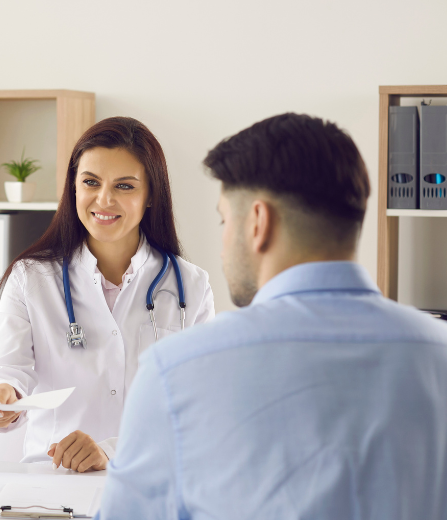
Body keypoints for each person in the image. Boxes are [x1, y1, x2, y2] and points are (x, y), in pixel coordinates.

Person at [98, 113, 447, 518]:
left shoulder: (174, 373)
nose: (224, 241)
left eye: (225, 219)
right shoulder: (438, 355)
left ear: (259, 223)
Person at [0, 117, 215, 470]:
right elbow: (5, 368)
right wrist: (1, 398)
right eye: (91, 182)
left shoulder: (190, 286)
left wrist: (111, 451)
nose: (104, 200)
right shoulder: (31, 278)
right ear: (74, 187)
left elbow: (199, 406)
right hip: (52, 481)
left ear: (151, 196)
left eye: (125, 186)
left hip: (149, 476)